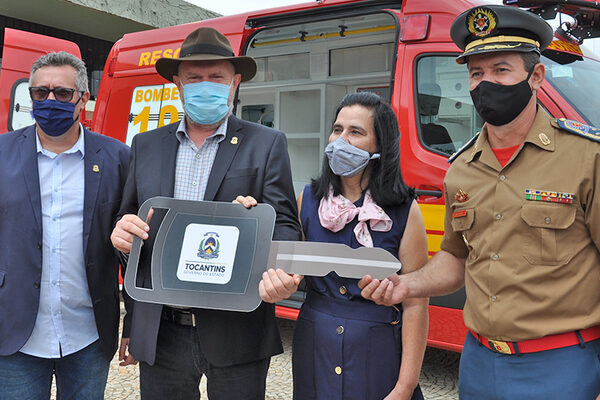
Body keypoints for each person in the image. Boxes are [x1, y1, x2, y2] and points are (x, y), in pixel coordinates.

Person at [359, 5, 600, 399]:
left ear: (535, 76)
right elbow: (456, 260)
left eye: (501, 70)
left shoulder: (587, 158)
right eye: (476, 73)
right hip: (479, 364)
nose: (485, 83)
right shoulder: (461, 169)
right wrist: (405, 285)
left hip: (563, 365)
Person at [110, 27, 301, 400]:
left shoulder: (265, 144)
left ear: (235, 83)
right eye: (194, 78)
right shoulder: (146, 145)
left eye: (216, 77)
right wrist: (122, 240)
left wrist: (282, 269)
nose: (205, 85)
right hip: (162, 332)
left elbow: (285, 223)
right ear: (178, 85)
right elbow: (129, 224)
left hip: (237, 330)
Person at [257, 92, 429, 400]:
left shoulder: (405, 211)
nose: (341, 140)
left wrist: (404, 386)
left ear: (381, 144)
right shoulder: (307, 201)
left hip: (378, 352)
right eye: (337, 130)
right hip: (314, 345)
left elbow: (417, 303)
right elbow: (286, 270)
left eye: (356, 132)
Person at [0, 51, 130, 399]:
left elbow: (134, 248)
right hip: (14, 335)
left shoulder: (118, 158)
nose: (50, 100)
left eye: (62, 93)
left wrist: (134, 324)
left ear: (83, 99)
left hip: (87, 334)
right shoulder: (1, 153)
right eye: (40, 93)